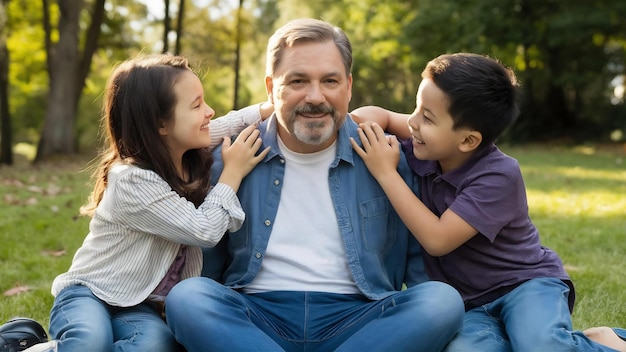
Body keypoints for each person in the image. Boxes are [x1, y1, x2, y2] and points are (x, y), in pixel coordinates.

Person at [165, 18, 464, 352]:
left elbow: (419, 263)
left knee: (441, 301)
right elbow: (207, 262)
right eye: (297, 81)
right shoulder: (232, 157)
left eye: (330, 81)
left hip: (360, 320)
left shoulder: (388, 156)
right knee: (189, 298)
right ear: (270, 87)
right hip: (256, 319)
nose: (315, 96)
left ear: (348, 86)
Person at [350, 52, 626, 352]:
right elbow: (380, 116)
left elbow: (437, 239)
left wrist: (386, 173)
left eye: (427, 117)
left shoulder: (499, 175)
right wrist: (366, 122)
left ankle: (603, 342)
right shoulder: (428, 142)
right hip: (468, 303)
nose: (413, 122)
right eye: (416, 108)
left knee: (542, 345)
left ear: (468, 140)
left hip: (524, 285)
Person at [46, 53, 271, 351]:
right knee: (90, 341)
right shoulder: (131, 180)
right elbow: (203, 230)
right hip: (90, 293)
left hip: (137, 306)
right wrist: (232, 173)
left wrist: (278, 105)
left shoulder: (184, 149)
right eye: (197, 105)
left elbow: (230, 123)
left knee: (156, 344)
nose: (210, 111)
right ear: (161, 124)